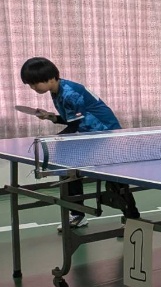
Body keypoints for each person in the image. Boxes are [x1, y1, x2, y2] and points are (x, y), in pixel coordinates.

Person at [20, 57, 140, 230]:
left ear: (51, 78)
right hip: (89, 135)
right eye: (30, 84)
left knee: (116, 179)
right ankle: (77, 214)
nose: (33, 88)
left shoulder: (70, 93)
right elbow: (73, 119)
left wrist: (52, 141)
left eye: (34, 83)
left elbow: (74, 124)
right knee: (69, 169)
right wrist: (51, 117)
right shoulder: (56, 91)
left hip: (106, 134)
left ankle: (132, 219)